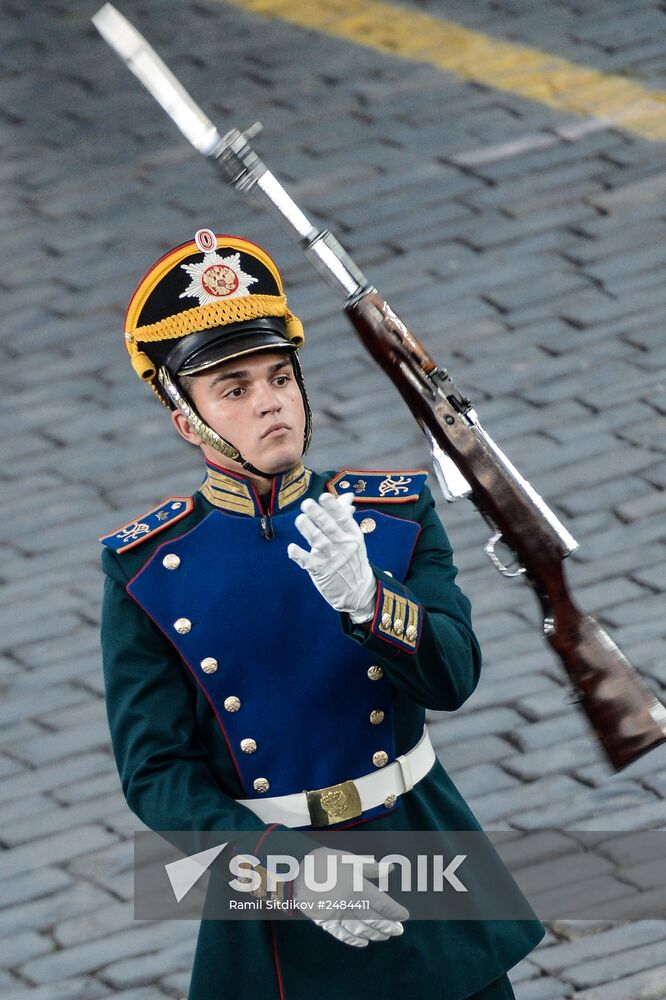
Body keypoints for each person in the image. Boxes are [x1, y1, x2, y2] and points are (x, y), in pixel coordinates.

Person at [100, 230, 545, 1000]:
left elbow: (454, 679)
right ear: (188, 421)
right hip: (277, 898)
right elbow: (157, 775)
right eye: (232, 389)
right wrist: (288, 871)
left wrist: (374, 604)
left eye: (278, 376)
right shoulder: (148, 571)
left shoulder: (396, 516)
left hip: (419, 850)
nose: (269, 399)